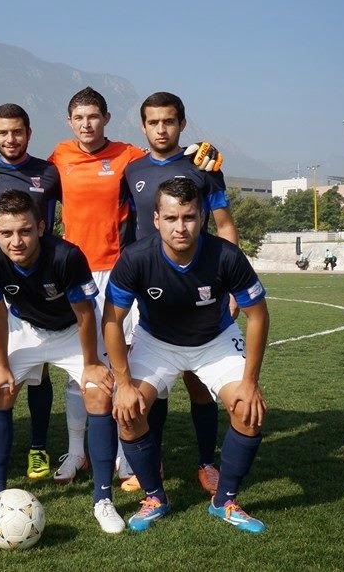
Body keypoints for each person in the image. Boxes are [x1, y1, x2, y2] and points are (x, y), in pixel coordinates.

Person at [49, 86, 224, 487]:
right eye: (79, 118)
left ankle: (129, 456)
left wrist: (204, 150)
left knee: (131, 365)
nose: (87, 124)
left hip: (120, 270)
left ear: (107, 119)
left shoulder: (128, 157)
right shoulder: (59, 156)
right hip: (73, 273)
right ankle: (77, 452)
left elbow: (170, 160)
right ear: (69, 121)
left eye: (94, 116)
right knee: (82, 367)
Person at [103, 177, 270, 533]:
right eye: (171, 218)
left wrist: (250, 382)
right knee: (128, 412)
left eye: (189, 217)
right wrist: (123, 383)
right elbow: (112, 321)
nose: (180, 227)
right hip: (156, 341)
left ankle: (224, 501)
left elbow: (258, 316)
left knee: (248, 411)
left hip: (215, 340)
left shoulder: (226, 256)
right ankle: (155, 497)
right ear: (156, 219)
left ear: (202, 217)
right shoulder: (136, 258)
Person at [0, 190, 125, 534]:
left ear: (41, 227)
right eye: (7, 233)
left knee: (99, 394)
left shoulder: (66, 256)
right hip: (26, 328)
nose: (16, 241)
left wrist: (91, 363)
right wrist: (0, 363)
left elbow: (85, 314)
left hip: (72, 331)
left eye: (25, 231)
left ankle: (103, 499)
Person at [121, 91, 237, 495]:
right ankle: (152, 462)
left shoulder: (203, 165)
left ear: (182, 124)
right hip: (148, 288)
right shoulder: (132, 170)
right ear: (143, 126)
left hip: (198, 286)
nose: (161, 129)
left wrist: (232, 284)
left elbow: (224, 224)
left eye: (168, 121)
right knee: (154, 380)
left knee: (197, 381)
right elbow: (128, 227)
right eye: (153, 122)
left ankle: (206, 463)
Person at [0, 103, 62, 482]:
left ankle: (38, 447)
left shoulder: (49, 171)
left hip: (39, 283)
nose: (11, 139)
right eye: (3, 132)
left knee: (39, 371)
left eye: (17, 131)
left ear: (29, 133)